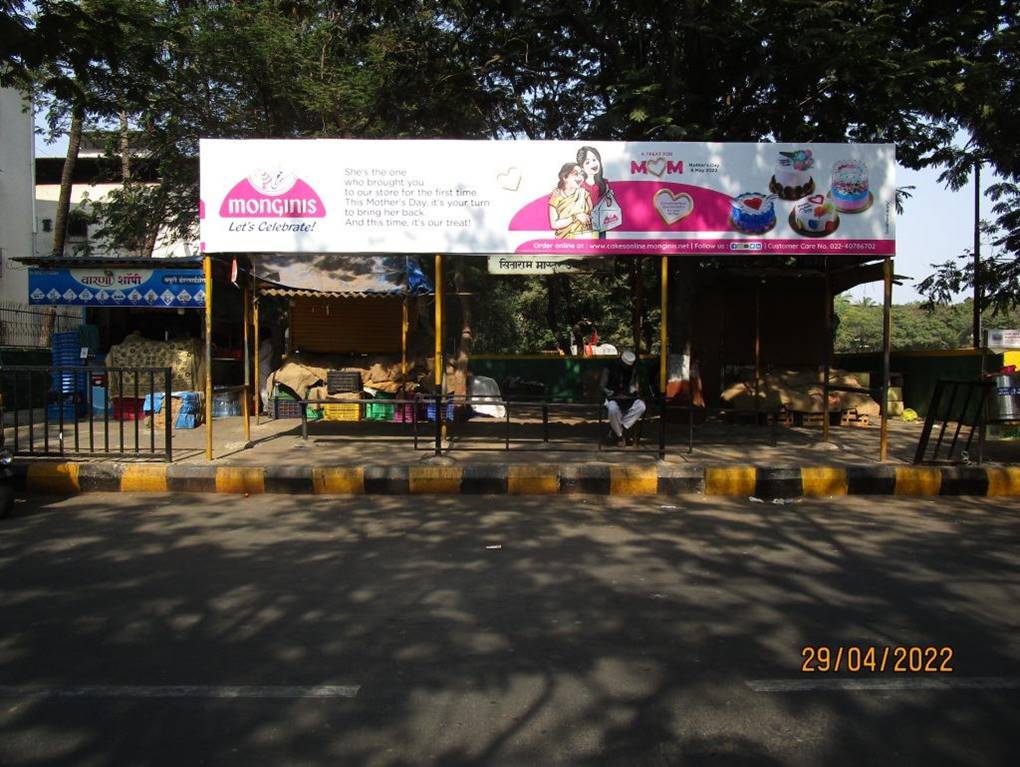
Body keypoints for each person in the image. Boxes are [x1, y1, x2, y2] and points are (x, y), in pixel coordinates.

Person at [600, 349, 647, 446]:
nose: (626, 367)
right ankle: (620, 435)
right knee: (612, 409)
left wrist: (633, 392)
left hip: (628, 399)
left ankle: (620, 429)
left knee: (641, 406)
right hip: (613, 398)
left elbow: (635, 386)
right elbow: (602, 387)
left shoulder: (633, 369)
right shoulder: (609, 367)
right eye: (625, 365)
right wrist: (612, 394)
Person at [548, 163, 594, 239]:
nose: (580, 177)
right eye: (576, 174)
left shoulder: (584, 194)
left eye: (581, 174)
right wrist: (575, 217)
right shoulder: (556, 196)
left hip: (584, 238)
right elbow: (554, 224)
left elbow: (593, 214)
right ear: (565, 177)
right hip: (564, 241)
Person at [576, 145, 614, 239]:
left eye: (594, 159)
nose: (593, 164)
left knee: (601, 243)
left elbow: (608, 204)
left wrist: (609, 198)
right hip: (586, 223)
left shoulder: (604, 183)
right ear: (582, 167)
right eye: (587, 162)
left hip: (600, 221)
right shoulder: (580, 185)